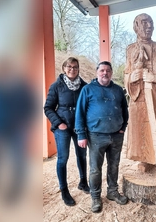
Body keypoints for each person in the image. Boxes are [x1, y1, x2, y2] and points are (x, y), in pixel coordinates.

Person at [75, 61, 129, 213]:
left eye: (108, 71)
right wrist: (81, 134)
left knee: (114, 165)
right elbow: (80, 113)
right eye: (102, 70)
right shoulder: (88, 90)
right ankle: (96, 197)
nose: (105, 73)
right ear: (97, 72)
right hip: (96, 136)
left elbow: (125, 111)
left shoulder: (118, 90)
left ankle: (112, 192)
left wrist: (123, 127)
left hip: (116, 136)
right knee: (95, 169)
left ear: (111, 73)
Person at [124, 13, 156, 166]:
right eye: (144, 23)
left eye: (151, 23)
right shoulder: (131, 49)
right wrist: (132, 77)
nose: (149, 26)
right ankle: (145, 159)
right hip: (139, 95)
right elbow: (126, 73)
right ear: (136, 26)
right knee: (140, 128)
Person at [44, 57, 89, 206]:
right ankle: (64, 190)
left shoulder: (84, 86)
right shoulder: (57, 86)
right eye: (69, 66)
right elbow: (48, 108)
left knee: (82, 155)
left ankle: (83, 182)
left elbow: (88, 106)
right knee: (63, 158)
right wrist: (58, 123)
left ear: (78, 69)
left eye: (75, 67)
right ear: (64, 68)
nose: (72, 69)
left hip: (79, 127)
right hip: (62, 127)